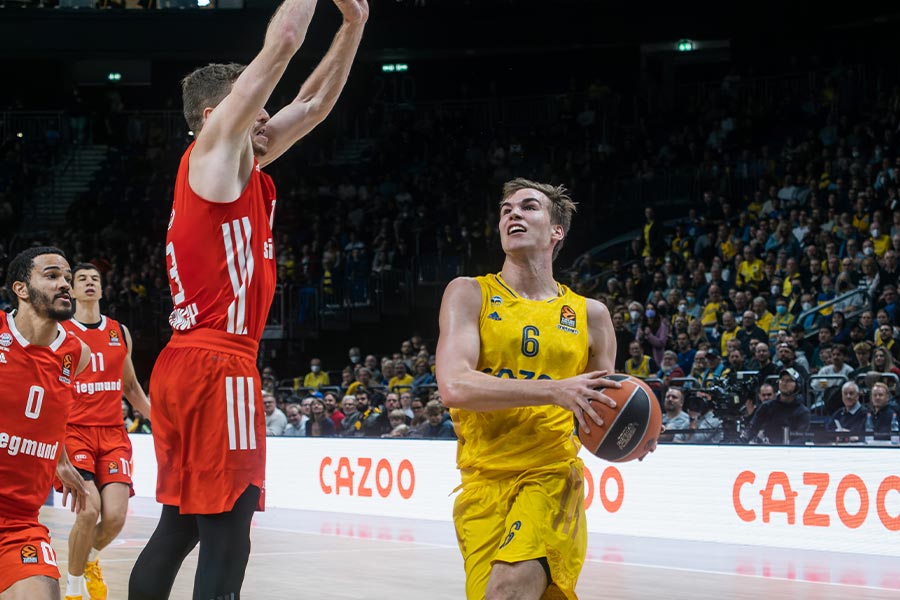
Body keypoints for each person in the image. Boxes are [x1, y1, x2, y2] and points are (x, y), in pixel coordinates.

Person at [129, 0, 368, 596]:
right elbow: (285, 39)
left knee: (180, 525)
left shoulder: (239, 168)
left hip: (185, 361)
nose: (269, 114)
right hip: (219, 363)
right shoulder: (214, 155)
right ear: (217, 114)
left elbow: (312, 106)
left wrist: (354, 24)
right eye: (256, 104)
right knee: (231, 526)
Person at [436, 178, 654, 600]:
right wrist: (555, 390)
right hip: (480, 483)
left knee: (508, 591)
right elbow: (455, 386)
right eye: (505, 209)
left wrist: (634, 435)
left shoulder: (592, 316)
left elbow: (600, 409)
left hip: (550, 476)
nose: (512, 214)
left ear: (557, 231)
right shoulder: (468, 293)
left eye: (528, 207)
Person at [0, 247, 90, 599]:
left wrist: (62, 461)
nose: (65, 284)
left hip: (20, 524)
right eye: (52, 276)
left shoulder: (76, 353)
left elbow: (53, 412)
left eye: (67, 278)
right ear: (21, 289)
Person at [60, 263, 152, 600]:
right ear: (70, 290)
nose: (88, 283)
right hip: (75, 432)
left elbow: (131, 386)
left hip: (113, 435)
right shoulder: (61, 331)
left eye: (94, 279)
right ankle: (72, 591)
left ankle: (90, 561)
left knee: (114, 517)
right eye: (81, 279)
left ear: (101, 290)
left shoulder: (119, 331)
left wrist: (163, 422)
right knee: (89, 510)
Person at [741, 368, 811, 445]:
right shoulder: (766, 407)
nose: (784, 383)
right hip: (767, 449)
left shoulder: (803, 412)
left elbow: (801, 438)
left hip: (790, 452)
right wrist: (741, 442)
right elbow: (751, 429)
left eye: (789, 380)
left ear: (797, 385)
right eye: (782, 380)